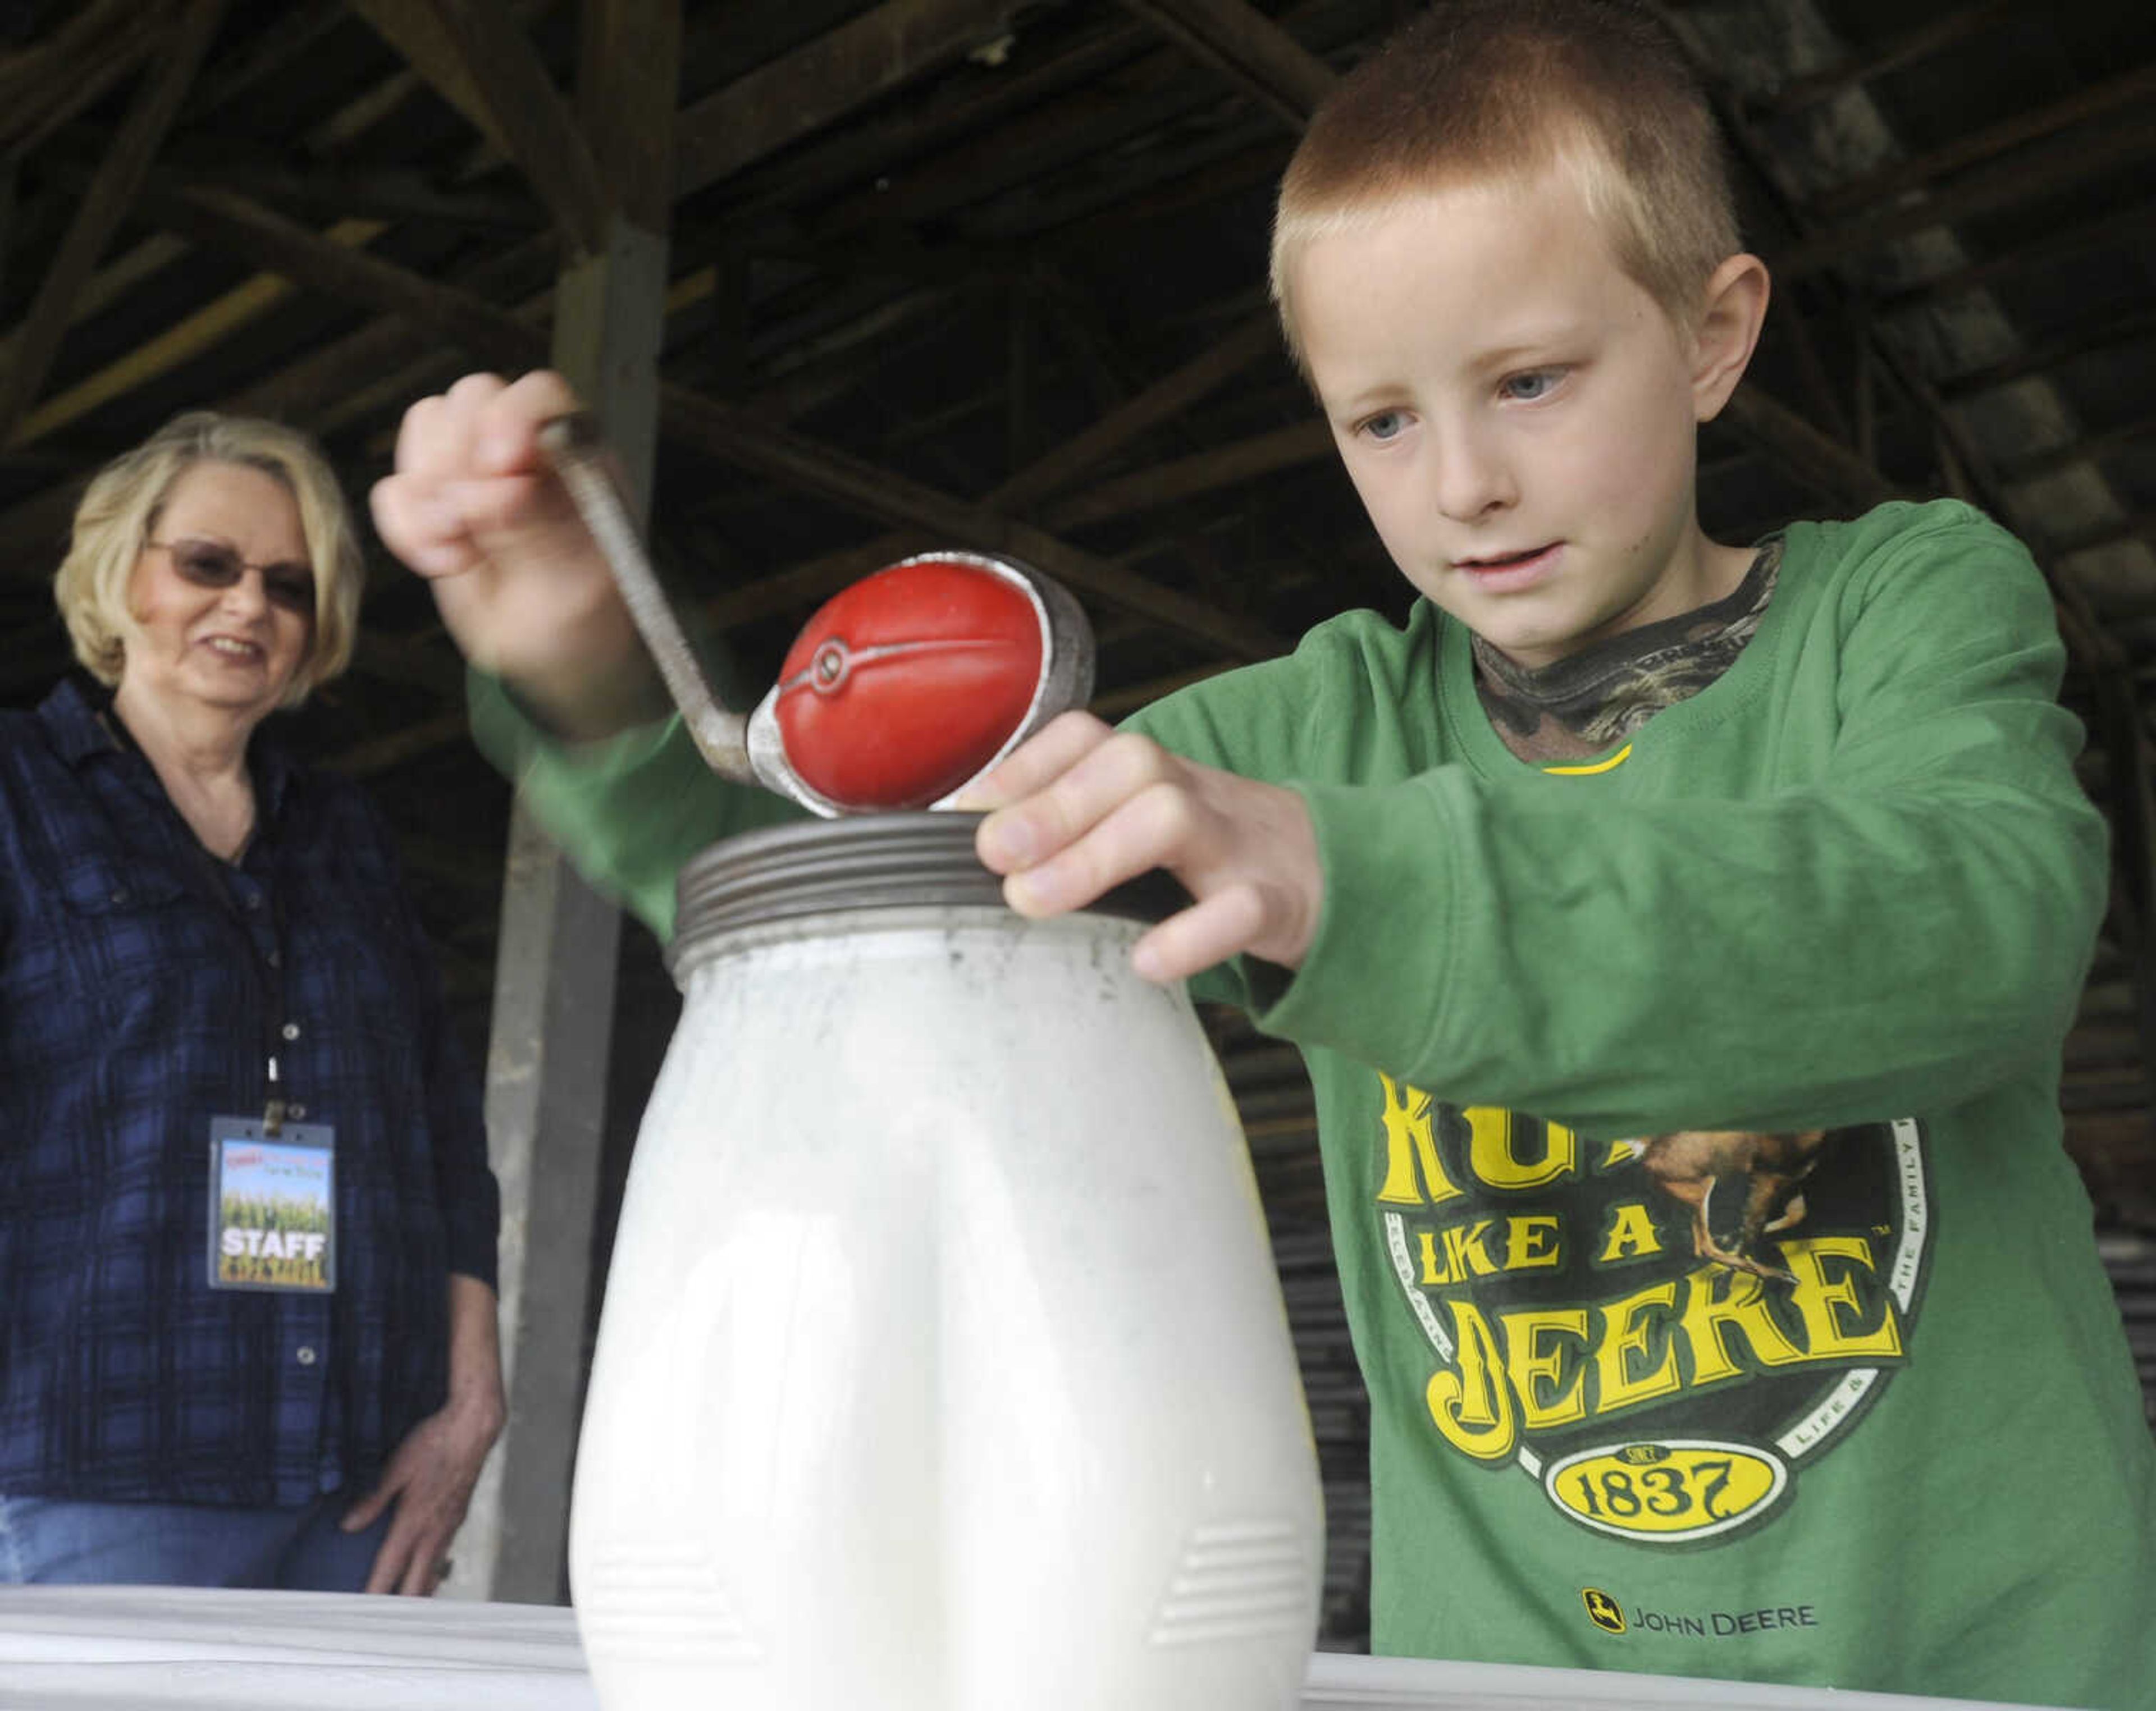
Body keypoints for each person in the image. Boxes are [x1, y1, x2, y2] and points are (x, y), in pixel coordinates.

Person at [369, 1, 2155, 1700]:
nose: (1461, 483)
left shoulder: (1901, 606)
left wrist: (1355, 884)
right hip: (1508, 1686)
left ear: (1713, 329)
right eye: (1382, 419)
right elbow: (844, 912)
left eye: (1529, 381)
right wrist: (593, 677)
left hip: (1973, 1675)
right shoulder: (1293, 739)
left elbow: (1973, 925)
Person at [0, 411, 503, 1596]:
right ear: (122, 573)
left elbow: (442, 1133)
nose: (249, 608)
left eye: (289, 584)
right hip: (101, 1467)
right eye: (208, 565)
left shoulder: (345, 833)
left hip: (364, 1478)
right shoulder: (17, 794)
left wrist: (470, 1396)